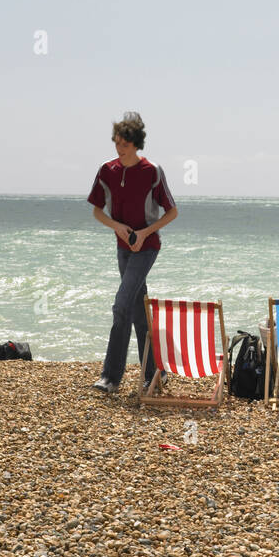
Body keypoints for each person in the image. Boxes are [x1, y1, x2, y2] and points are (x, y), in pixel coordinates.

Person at [88, 112, 178, 394]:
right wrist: (118, 228)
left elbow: (172, 212)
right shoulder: (107, 170)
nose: (119, 148)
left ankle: (110, 377)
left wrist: (143, 233)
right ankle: (155, 373)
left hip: (147, 247)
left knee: (121, 305)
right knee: (139, 311)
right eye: (117, 142)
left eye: (124, 143)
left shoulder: (152, 171)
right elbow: (97, 212)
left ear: (136, 144)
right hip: (123, 247)